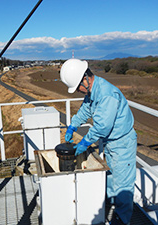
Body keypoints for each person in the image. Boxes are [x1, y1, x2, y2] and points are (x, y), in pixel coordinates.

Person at [60, 58, 137, 225]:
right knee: (110, 178)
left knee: (123, 185)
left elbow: (102, 127)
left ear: (85, 79)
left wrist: (84, 143)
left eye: (78, 87)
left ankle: (122, 220)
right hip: (111, 143)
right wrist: (73, 125)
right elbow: (85, 109)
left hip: (122, 144)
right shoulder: (93, 91)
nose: (79, 91)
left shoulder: (106, 94)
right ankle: (110, 209)